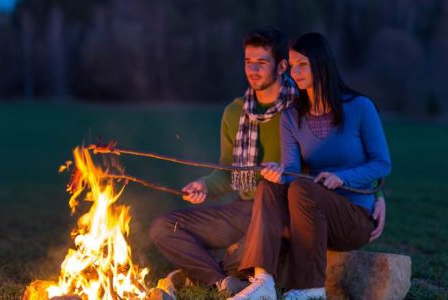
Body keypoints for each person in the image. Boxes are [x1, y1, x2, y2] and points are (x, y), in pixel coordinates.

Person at [230, 32, 392, 300]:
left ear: (320, 63)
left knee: (303, 190)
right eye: (292, 66)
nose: (295, 72)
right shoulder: (291, 116)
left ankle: (311, 288)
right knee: (270, 187)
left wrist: (343, 178)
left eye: (302, 64)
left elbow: (382, 163)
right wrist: (279, 173)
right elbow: (292, 170)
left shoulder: (360, 107)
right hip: (310, 217)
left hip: (353, 217)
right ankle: (263, 283)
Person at [149, 26, 298, 295]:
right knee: (163, 228)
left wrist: (376, 194)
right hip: (243, 209)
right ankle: (223, 281)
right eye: (248, 62)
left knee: (243, 251)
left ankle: (206, 275)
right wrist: (204, 186)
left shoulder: (300, 109)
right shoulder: (235, 112)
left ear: (282, 66)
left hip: (282, 210)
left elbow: (336, 156)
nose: (253, 70)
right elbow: (228, 172)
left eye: (262, 63)